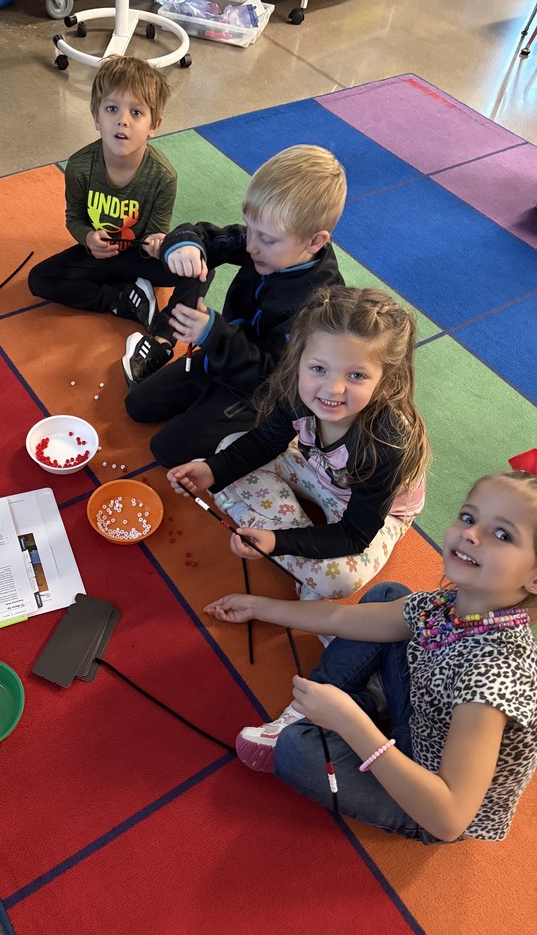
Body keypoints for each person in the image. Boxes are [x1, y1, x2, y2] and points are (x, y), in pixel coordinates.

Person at [203, 470, 537, 844]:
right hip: (423, 713)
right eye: (469, 517)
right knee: (388, 595)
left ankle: (349, 709)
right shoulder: (448, 604)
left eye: (503, 535)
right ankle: (346, 704)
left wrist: (350, 723)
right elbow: (341, 617)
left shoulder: (493, 676)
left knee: (296, 751)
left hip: (428, 796)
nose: (471, 534)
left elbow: (450, 819)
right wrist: (260, 606)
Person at [168, 285, 430, 600]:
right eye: (318, 368)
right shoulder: (299, 391)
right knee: (226, 451)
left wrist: (276, 541)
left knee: (341, 580)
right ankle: (295, 549)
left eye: (356, 376)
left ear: (385, 378)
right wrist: (211, 471)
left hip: (369, 512)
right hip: (314, 469)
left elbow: (354, 536)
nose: (332, 389)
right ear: (299, 361)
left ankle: (284, 544)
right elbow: (266, 441)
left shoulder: (386, 444)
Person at [123, 144, 346, 466]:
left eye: (266, 238)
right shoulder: (265, 244)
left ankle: (259, 434)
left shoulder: (317, 306)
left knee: (167, 450)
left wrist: (213, 334)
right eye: (250, 228)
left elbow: (272, 376)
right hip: (220, 356)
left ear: (314, 241)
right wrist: (182, 246)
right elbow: (202, 234)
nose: (251, 245)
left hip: (259, 392)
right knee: (137, 406)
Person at [27, 55, 177, 330]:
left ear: (154, 125)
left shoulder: (163, 177)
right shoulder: (80, 166)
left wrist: (157, 242)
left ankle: (164, 323)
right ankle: (121, 301)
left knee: (199, 265)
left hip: (138, 258)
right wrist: (87, 237)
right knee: (39, 279)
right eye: (111, 109)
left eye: (136, 112)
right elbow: (74, 218)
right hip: (96, 257)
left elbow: (157, 231)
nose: (122, 121)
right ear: (96, 116)